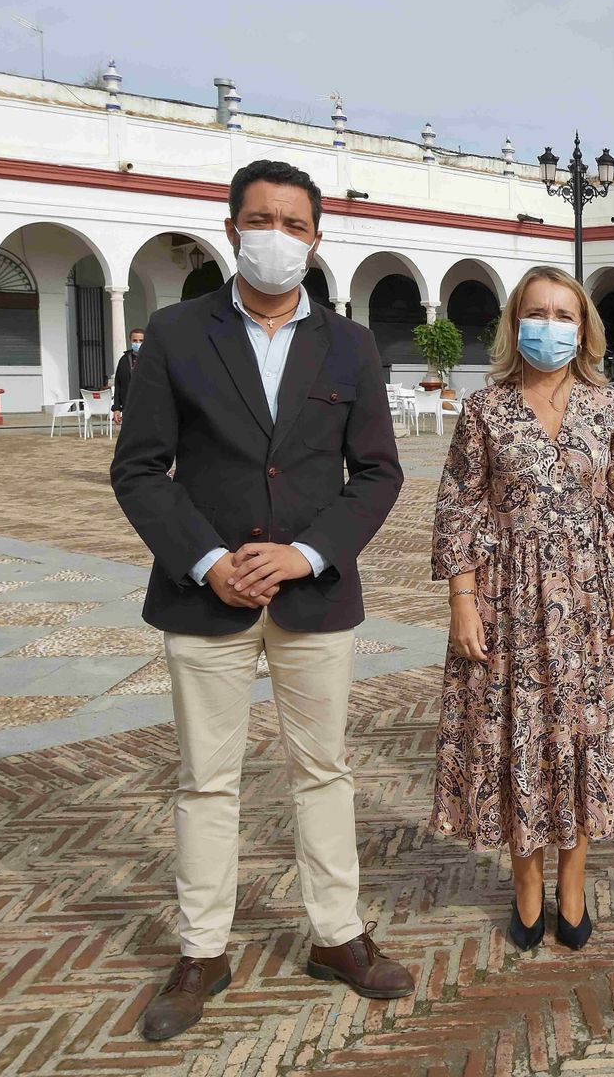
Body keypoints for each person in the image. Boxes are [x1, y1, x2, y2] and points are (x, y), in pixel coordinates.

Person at [111, 159, 412, 1042]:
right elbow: (139, 468)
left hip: (313, 596)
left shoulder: (349, 345)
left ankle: (337, 935)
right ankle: (203, 950)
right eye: (258, 218)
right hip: (206, 596)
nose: (274, 234)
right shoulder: (174, 334)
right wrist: (207, 560)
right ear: (232, 224)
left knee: (325, 771)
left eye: (292, 221)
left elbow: (377, 473)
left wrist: (305, 553)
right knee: (206, 780)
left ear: (316, 239)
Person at [430, 265, 614, 953]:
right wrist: (462, 602)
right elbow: (457, 506)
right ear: (513, 322)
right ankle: (525, 885)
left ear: (584, 328)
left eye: (564, 315)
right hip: (506, 603)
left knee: (583, 738)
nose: (550, 326)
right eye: (538, 312)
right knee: (516, 737)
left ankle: (574, 884)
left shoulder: (607, 406)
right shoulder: (484, 409)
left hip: (589, 605)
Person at [112, 326, 145, 425]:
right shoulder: (124, 360)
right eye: (135, 340)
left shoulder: (152, 359)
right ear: (130, 341)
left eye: (141, 340)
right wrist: (117, 409)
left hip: (148, 406)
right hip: (129, 406)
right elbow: (118, 384)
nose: (138, 343)